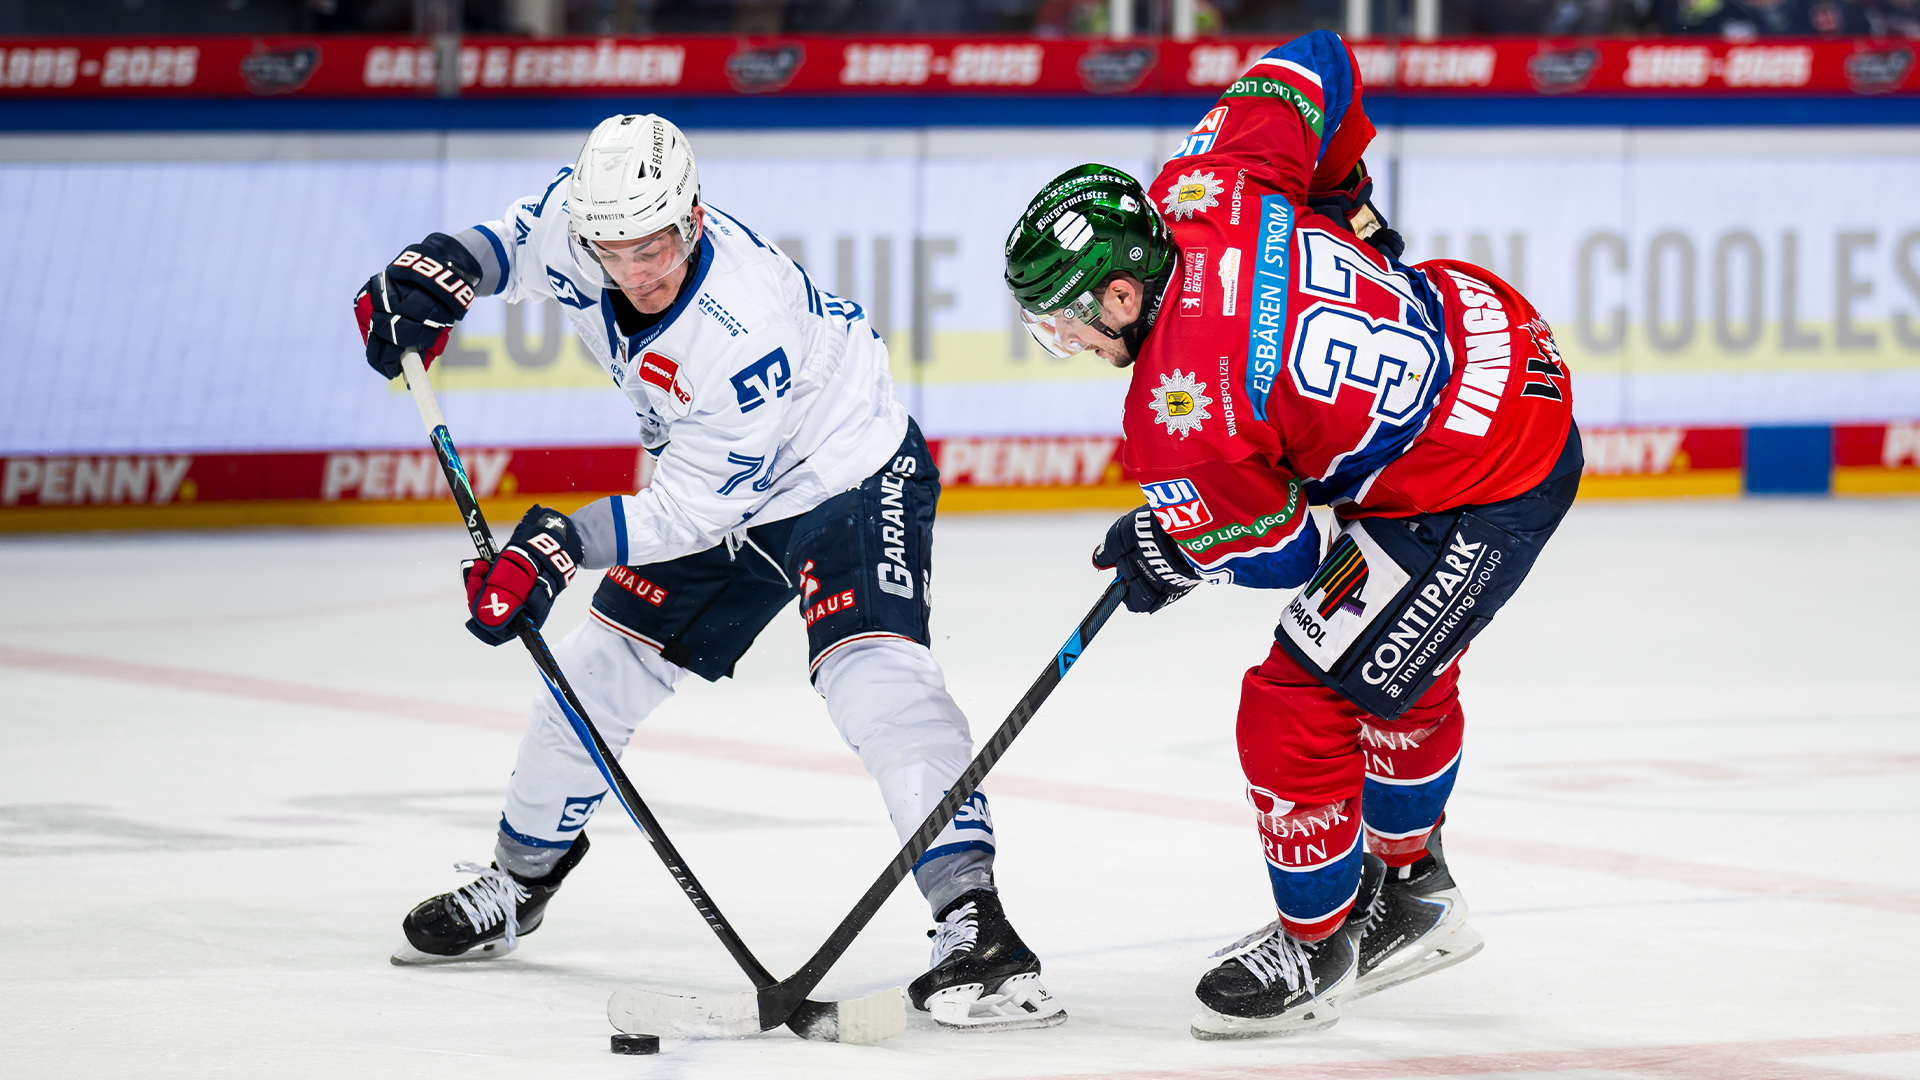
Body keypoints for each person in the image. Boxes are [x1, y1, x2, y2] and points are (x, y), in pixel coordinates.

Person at [353, 113, 1064, 1032]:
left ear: (692, 217)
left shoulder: (739, 325)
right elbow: (511, 244)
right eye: (613, 249)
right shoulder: (590, 226)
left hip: (842, 477)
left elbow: (694, 510)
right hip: (722, 484)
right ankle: (518, 883)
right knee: (591, 677)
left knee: (877, 682)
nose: (634, 270)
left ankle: (977, 928)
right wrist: (433, 272)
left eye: (652, 245)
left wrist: (557, 544)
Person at [1001, 31, 1581, 1040]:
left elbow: (1292, 556)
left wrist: (1178, 546)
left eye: (1067, 321)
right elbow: (1317, 60)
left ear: (1122, 293)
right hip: (1489, 340)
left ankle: (1318, 946)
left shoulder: (1176, 414)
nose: (1070, 344)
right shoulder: (1203, 180)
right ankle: (1417, 896)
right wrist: (1342, 200)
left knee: (1296, 695)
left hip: (1482, 477)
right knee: (1395, 660)